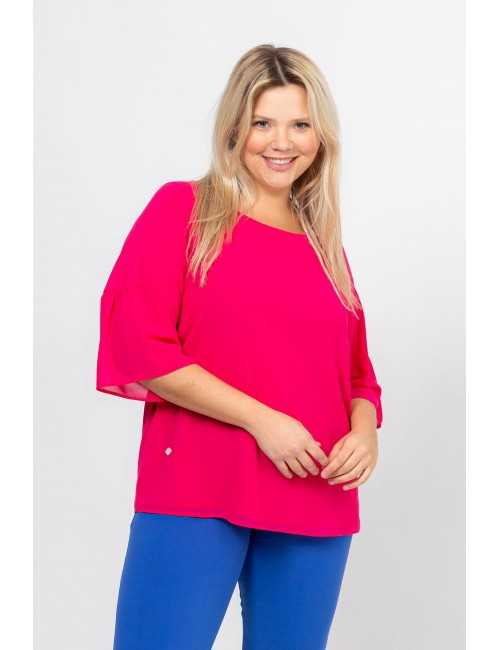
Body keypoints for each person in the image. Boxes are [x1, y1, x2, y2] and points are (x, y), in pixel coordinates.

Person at [96, 43, 383, 650]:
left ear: (321, 136)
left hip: (315, 493)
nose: (282, 142)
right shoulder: (183, 210)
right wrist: (263, 421)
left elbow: (359, 375)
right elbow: (140, 345)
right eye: (263, 123)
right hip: (198, 483)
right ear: (234, 128)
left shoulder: (323, 244)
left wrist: (365, 433)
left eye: (300, 124)